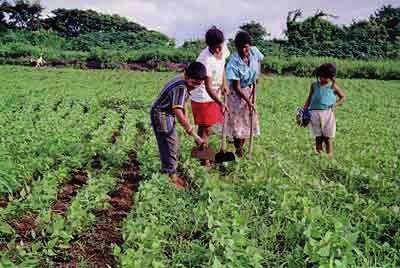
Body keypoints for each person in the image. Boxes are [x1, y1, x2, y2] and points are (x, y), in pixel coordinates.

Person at [150, 62, 206, 188]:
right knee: (170, 143)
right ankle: (171, 176)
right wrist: (192, 132)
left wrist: (187, 122)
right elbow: (177, 110)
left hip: (166, 112)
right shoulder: (181, 87)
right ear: (186, 75)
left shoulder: (183, 82)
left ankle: (169, 171)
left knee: (170, 142)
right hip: (161, 113)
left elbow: (182, 104)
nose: (195, 86)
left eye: (199, 83)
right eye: (193, 82)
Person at [190, 26, 230, 166]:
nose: (218, 50)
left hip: (215, 93)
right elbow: (207, 86)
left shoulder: (223, 48)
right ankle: (205, 160)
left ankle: (200, 155)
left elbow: (223, 66)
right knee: (205, 128)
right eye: (215, 48)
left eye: (220, 47)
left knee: (206, 128)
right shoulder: (204, 59)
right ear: (208, 45)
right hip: (202, 95)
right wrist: (221, 102)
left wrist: (224, 83)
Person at [225, 31, 264, 157]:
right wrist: (248, 101)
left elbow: (259, 61)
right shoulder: (233, 61)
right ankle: (239, 150)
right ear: (237, 47)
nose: (244, 50)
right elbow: (236, 86)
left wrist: (257, 76)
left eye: (246, 46)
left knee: (248, 121)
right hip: (237, 94)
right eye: (241, 47)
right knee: (238, 124)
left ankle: (242, 147)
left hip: (249, 89)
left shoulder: (254, 51)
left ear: (250, 46)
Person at [303, 63, 347, 158]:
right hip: (314, 113)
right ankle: (318, 154)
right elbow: (309, 98)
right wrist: (304, 109)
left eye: (325, 77)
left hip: (328, 114)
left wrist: (335, 104)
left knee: (327, 137)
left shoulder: (333, 86)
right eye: (321, 77)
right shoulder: (314, 85)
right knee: (318, 137)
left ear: (331, 77)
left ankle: (329, 156)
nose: (322, 79)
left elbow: (343, 97)